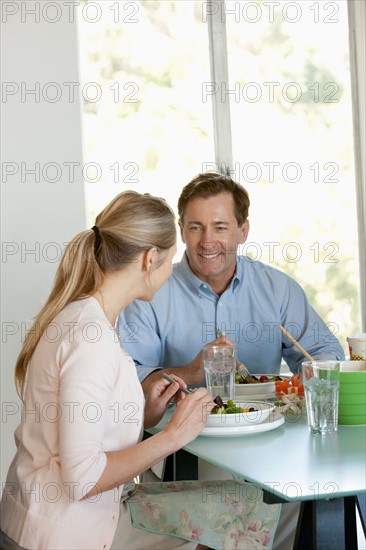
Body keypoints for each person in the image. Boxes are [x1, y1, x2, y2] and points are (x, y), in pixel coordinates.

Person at [0, 191, 219, 550]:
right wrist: (172, 437)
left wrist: (141, 413)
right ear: (150, 259)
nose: (170, 274)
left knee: (223, 513)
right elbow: (82, 479)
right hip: (63, 534)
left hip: (42, 518)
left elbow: (79, 426)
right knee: (232, 516)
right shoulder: (92, 339)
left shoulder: (84, 316)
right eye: (170, 262)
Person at [119, 172, 345, 396]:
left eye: (220, 227)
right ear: (182, 231)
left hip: (265, 426)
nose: (208, 242)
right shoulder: (148, 294)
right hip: (177, 429)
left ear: (243, 231)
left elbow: (326, 353)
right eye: (196, 227)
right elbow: (129, 380)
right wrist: (190, 373)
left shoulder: (278, 289)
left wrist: (309, 378)